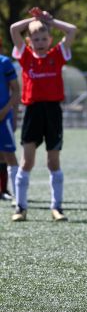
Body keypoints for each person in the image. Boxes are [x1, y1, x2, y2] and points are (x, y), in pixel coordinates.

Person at [10, 7, 77, 222]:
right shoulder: (25, 56)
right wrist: (33, 19)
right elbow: (13, 29)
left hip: (53, 112)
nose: (40, 42)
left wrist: (50, 21)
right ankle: (20, 207)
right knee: (27, 161)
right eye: (36, 39)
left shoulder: (57, 55)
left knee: (53, 162)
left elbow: (72, 30)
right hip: (32, 112)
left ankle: (56, 207)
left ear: (50, 40)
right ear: (29, 41)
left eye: (43, 38)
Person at [0, 45, 20, 204]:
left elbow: (16, 90)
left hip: (3, 117)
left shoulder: (5, 62)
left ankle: (18, 196)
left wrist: (7, 112)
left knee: (8, 155)